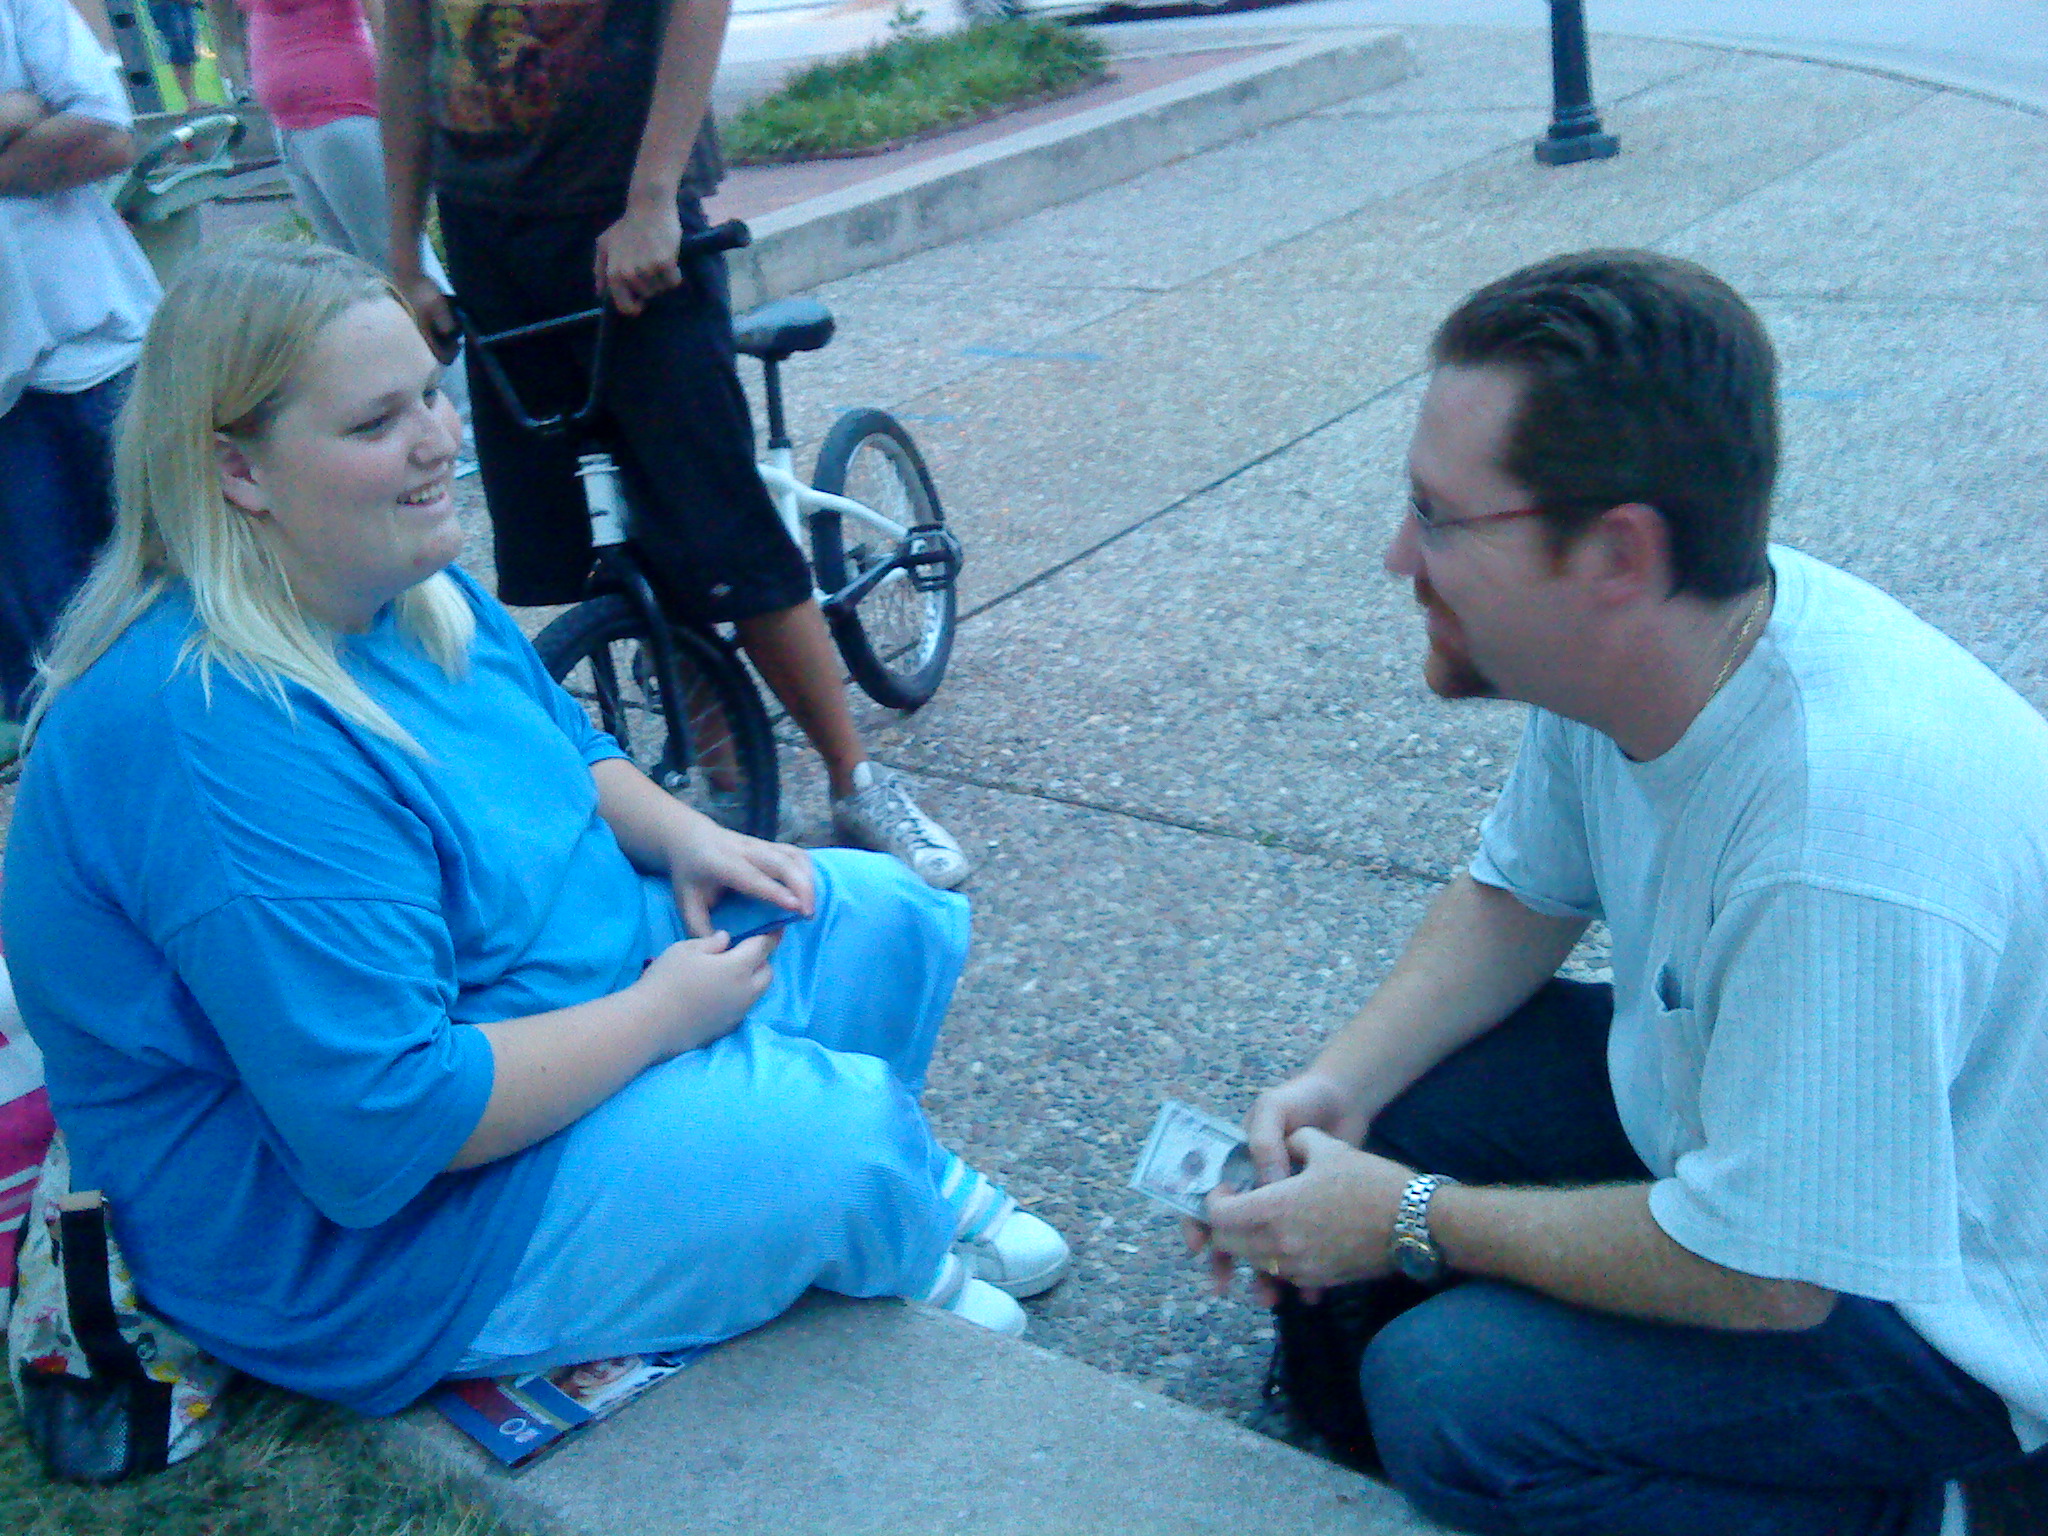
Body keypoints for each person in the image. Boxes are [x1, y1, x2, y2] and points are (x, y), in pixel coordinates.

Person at [0, 242, 1066, 1416]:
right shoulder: (214, 735)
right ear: (237, 473)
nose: (437, 442)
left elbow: (564, 741)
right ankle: (876, 1207)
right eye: (374, 424)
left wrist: (682, 835)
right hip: (362, 1242)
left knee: (867, 912)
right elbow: (378, 1127)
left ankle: (844, 1174)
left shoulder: (398, 582)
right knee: (830, 1140)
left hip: (521, 1005)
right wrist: (661, 1018)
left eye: (427, 394)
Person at [1192, 250, 2048, 1535]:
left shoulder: (1842, 837)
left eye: (1436, 517)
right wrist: (1338, 1086)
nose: (1394, 557)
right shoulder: (1648, 653)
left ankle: (1924, 1509)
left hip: (1949, 1306)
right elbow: (1513, 897)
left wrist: (1414, 1219)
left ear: (1615, 554)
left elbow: (1770, 1278)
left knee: (1446, 1399)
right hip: (1802, 1147)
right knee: (1403, 1107)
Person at [378, 0, 973, 891]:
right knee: (596, 542)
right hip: (489, 235)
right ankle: (726, 779)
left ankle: (857, 779)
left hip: (628, 209)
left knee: (722, 526)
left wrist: (653, 197)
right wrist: (401, 253)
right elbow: (406, 44)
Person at [0, 0, 158, 765]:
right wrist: (16, 112)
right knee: (55, 673)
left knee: (189, 599)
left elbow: (105, 137)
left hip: (96, 351)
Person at [202, 0, 470, 424]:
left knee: (403, 263)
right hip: (289, 124)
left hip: (346, 112)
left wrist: (401, 122)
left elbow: (387, 30)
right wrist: (243, 79)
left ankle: (467, 410)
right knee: (356, 275)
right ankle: (412, 401)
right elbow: (226, 29)